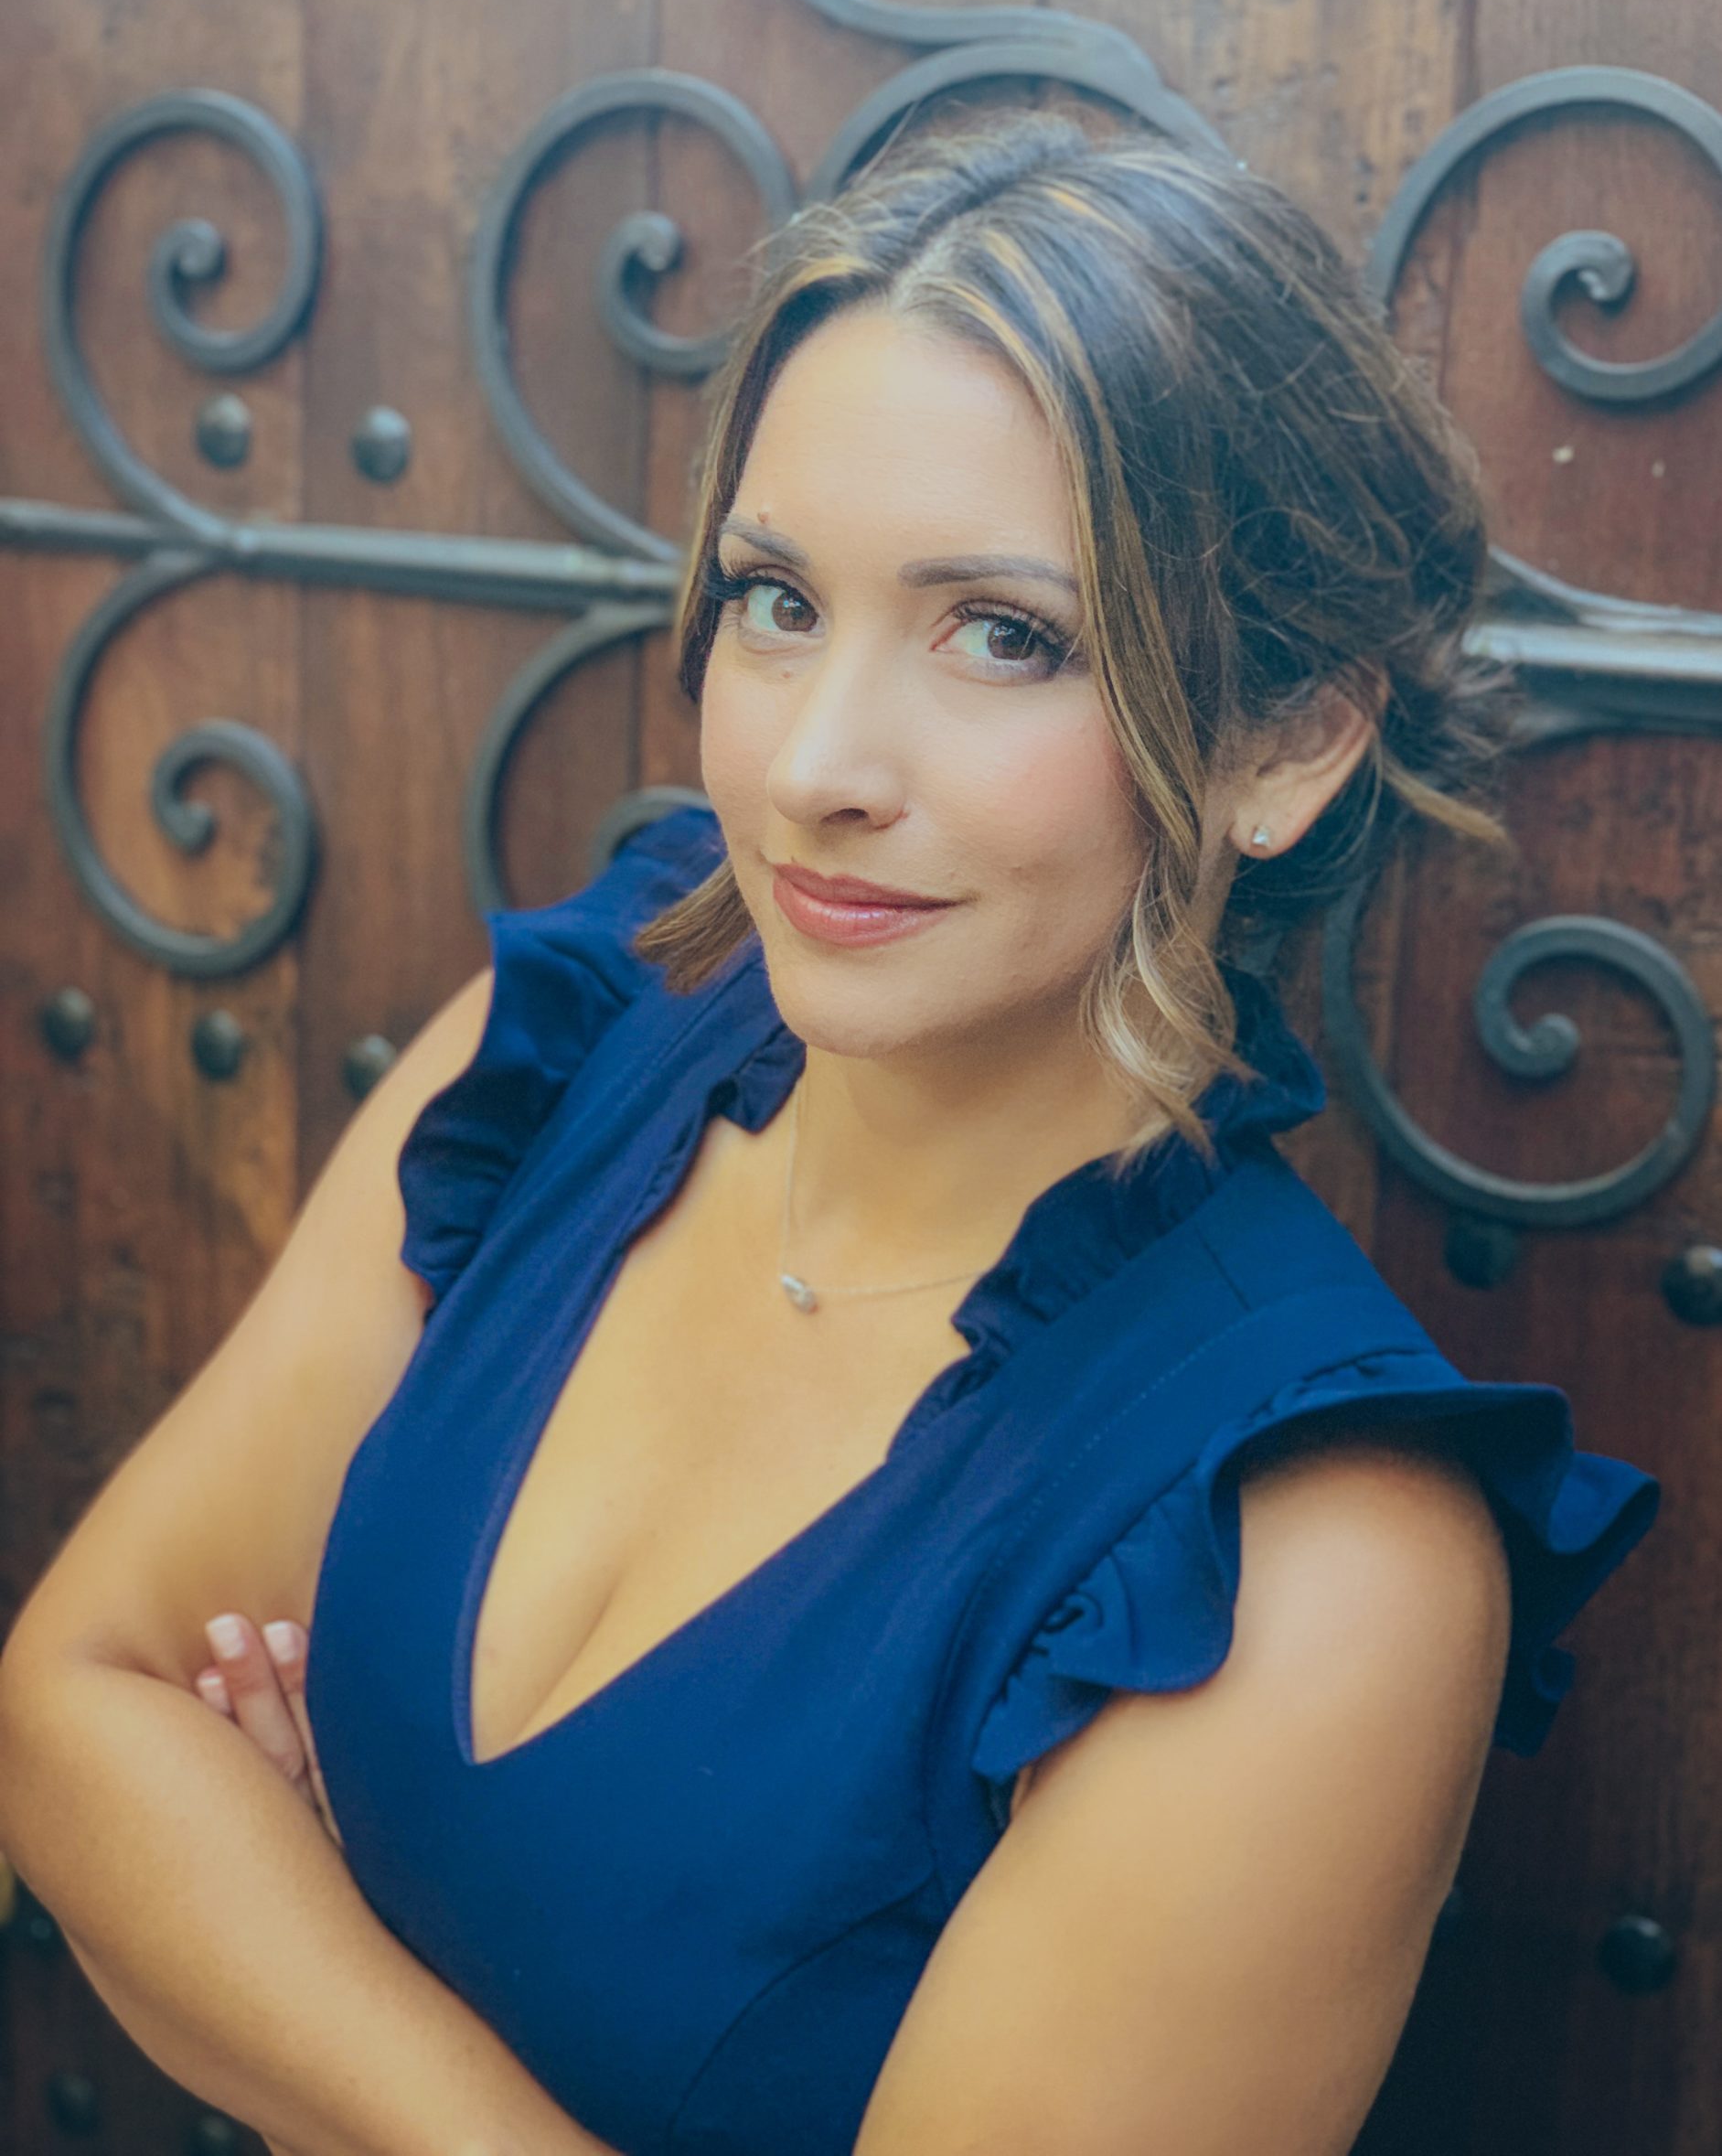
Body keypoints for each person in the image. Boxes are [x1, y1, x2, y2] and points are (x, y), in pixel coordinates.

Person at [0, 108, 1659, 2156]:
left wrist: (305, 1982)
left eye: (1004, 633)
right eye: (776, 598)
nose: (814, 764)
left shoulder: (1307, 1562)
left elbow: (174, 1827)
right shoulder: (573, 1045)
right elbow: (78, 1704)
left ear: (1285, 739)